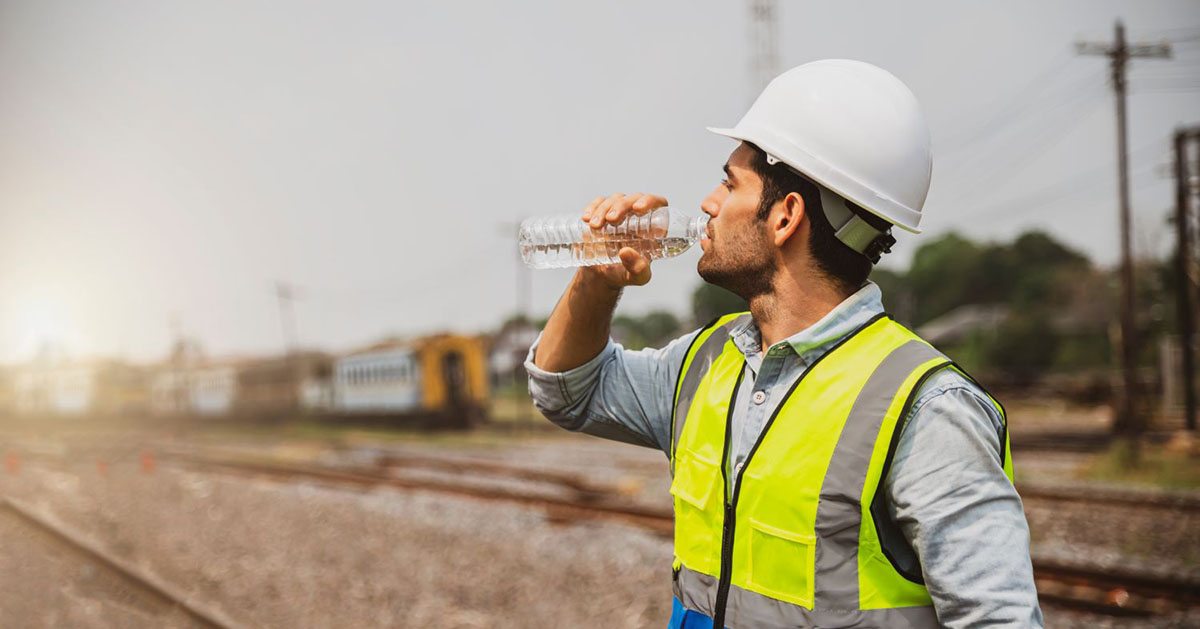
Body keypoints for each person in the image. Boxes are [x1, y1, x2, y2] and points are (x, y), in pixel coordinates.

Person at [525, 60, 1042, 628]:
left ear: (785, 216)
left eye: (730, 183)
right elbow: (567, 391)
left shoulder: (927, 410)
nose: (708, 203)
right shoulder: (705, 363)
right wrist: (595, 279)